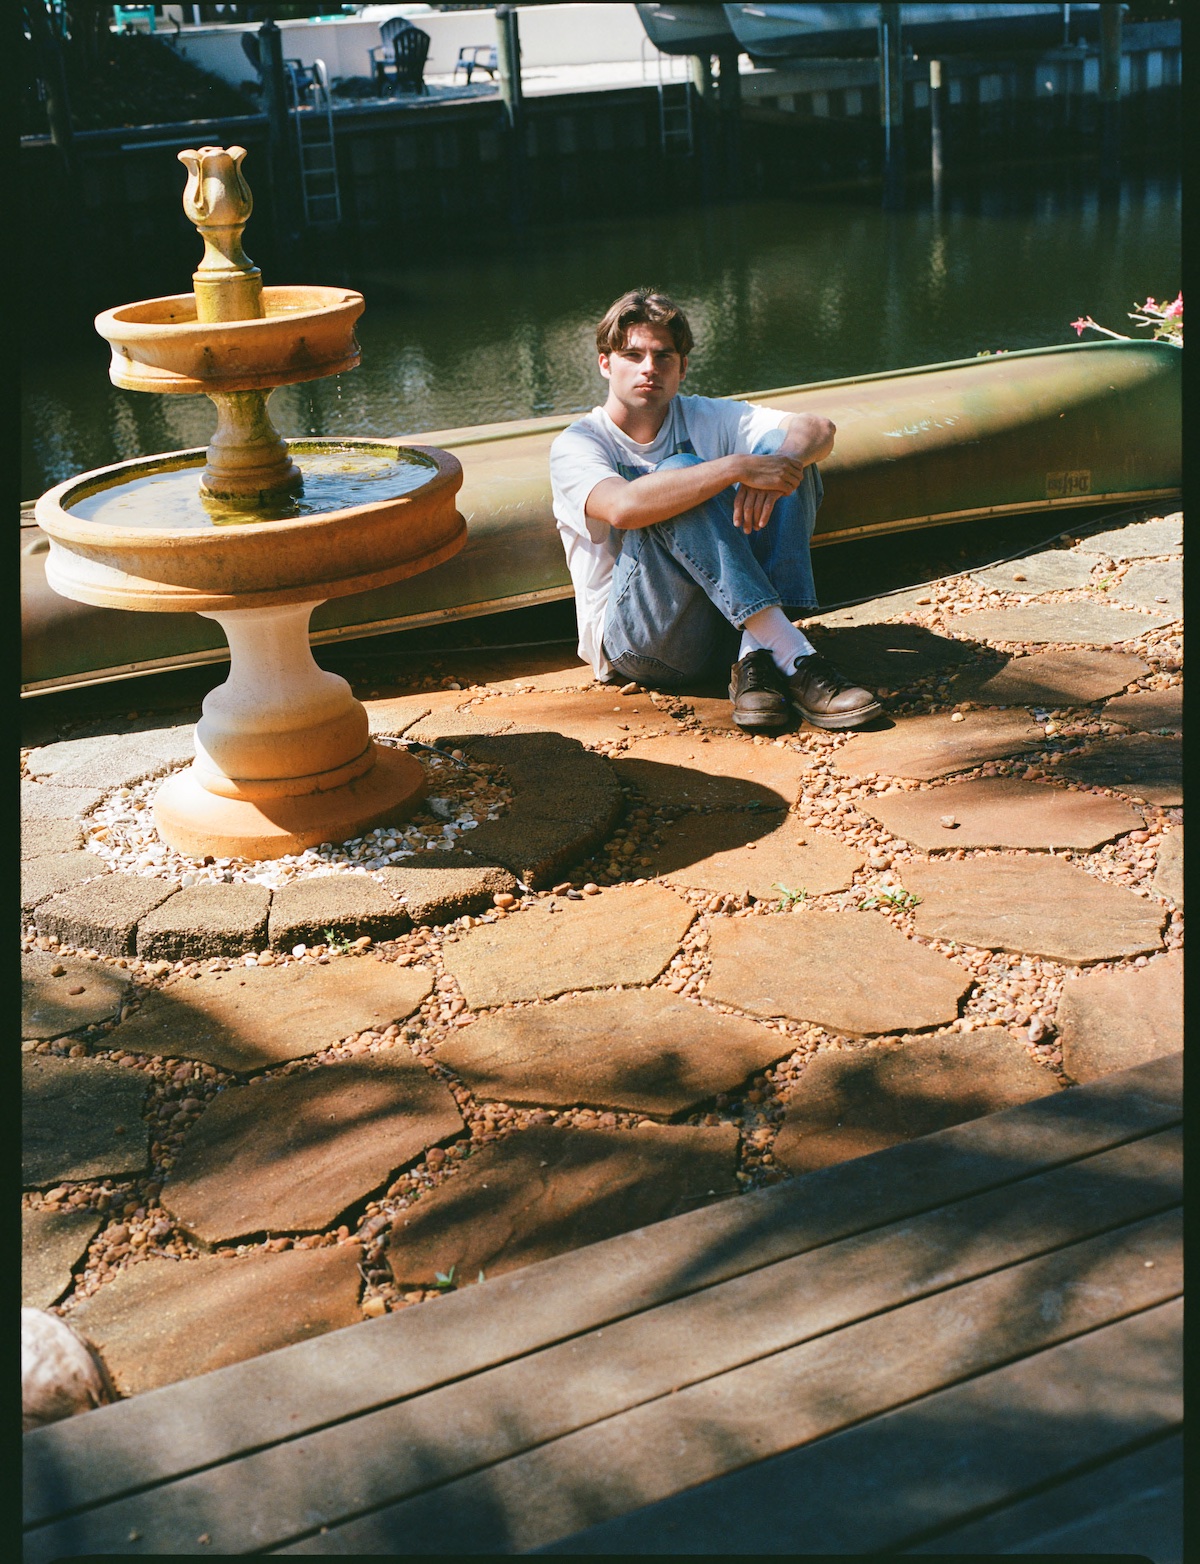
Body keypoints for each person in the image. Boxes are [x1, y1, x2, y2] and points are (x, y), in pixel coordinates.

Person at [549, 288, 882, 732]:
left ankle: (756, 658)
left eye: (663, 356)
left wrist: (783, 462)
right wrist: (733, 468)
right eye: (632, 355)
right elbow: (624, 507)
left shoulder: (702, 415)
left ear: (683, 367)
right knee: (680, 474)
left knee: (786, 457)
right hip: (644, 643)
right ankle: (793, 654)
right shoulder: (578, 443)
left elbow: (817, 427)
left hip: (727, 633)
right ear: (605, 363)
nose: (649, 368)